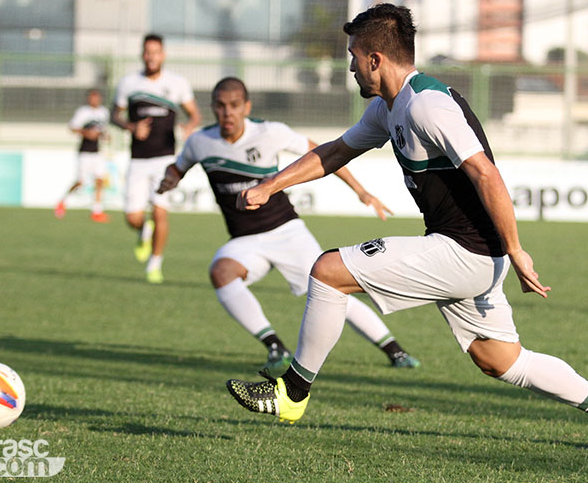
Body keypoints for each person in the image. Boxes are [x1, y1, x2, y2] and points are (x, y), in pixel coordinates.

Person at [225, 4, 588, 450]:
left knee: (328, 270)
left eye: (353, 55)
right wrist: (271, 186)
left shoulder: (426, 104)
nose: (349, 65)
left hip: (468, 251)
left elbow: (486, 174)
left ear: (376, 59)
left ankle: (292, 391)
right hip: (466, 250)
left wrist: (516, 249)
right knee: (499, 359)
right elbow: (334, 153)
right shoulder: (389, 108)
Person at [157, 77, 420, 376]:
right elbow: (177, 168)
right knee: (221, 271)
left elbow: (324, 154)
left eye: (233, 106)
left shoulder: (271, 133)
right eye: (220, 106)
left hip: (286, 232)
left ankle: (394, 349)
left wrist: (360, 191)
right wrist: (170, 179)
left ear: (246, 107)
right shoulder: (199, 142)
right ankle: (274, 347)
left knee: (332, 288)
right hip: (245, 240)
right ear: (213, 108)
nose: (227, 113)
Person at [111, 34, 202, 284]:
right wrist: (131, 127)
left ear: (163, 55)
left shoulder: (177, 83)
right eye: (147, 52)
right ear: (142, 55)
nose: (152, 56)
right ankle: (143, 230)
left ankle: (155, 264)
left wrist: (189, 126)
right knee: (133, 218)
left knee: (161, 213)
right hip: (138, 160)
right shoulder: (129, 83)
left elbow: (194, 114)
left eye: (156, 52)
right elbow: (113, 114)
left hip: (165, 159)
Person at [54, 88, 111, 223]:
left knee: (100, 180)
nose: (94, 100)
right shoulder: (83, 112)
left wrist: (106, 136)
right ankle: (62, 201)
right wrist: (86, 133)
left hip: (97, 152)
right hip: (85, 152)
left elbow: (103, 130)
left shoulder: (104, 112)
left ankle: (97, 211)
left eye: (96, 97)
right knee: (80, 182)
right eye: (92, 97)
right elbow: (72, 127)